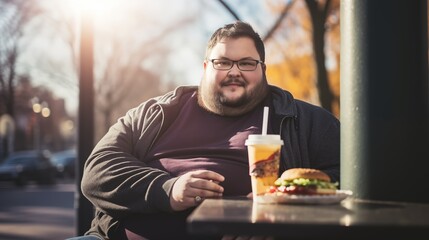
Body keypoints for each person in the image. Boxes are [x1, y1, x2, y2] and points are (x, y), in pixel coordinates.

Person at [70, 21, 340, 240]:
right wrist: (168, 189)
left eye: (247, 63)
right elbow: (97, 171)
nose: (235, 71)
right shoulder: (156, 113)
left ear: (263, 70)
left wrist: (278, 219)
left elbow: (350, 180)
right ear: (204, 68)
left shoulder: (303, 121)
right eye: (222, 62)